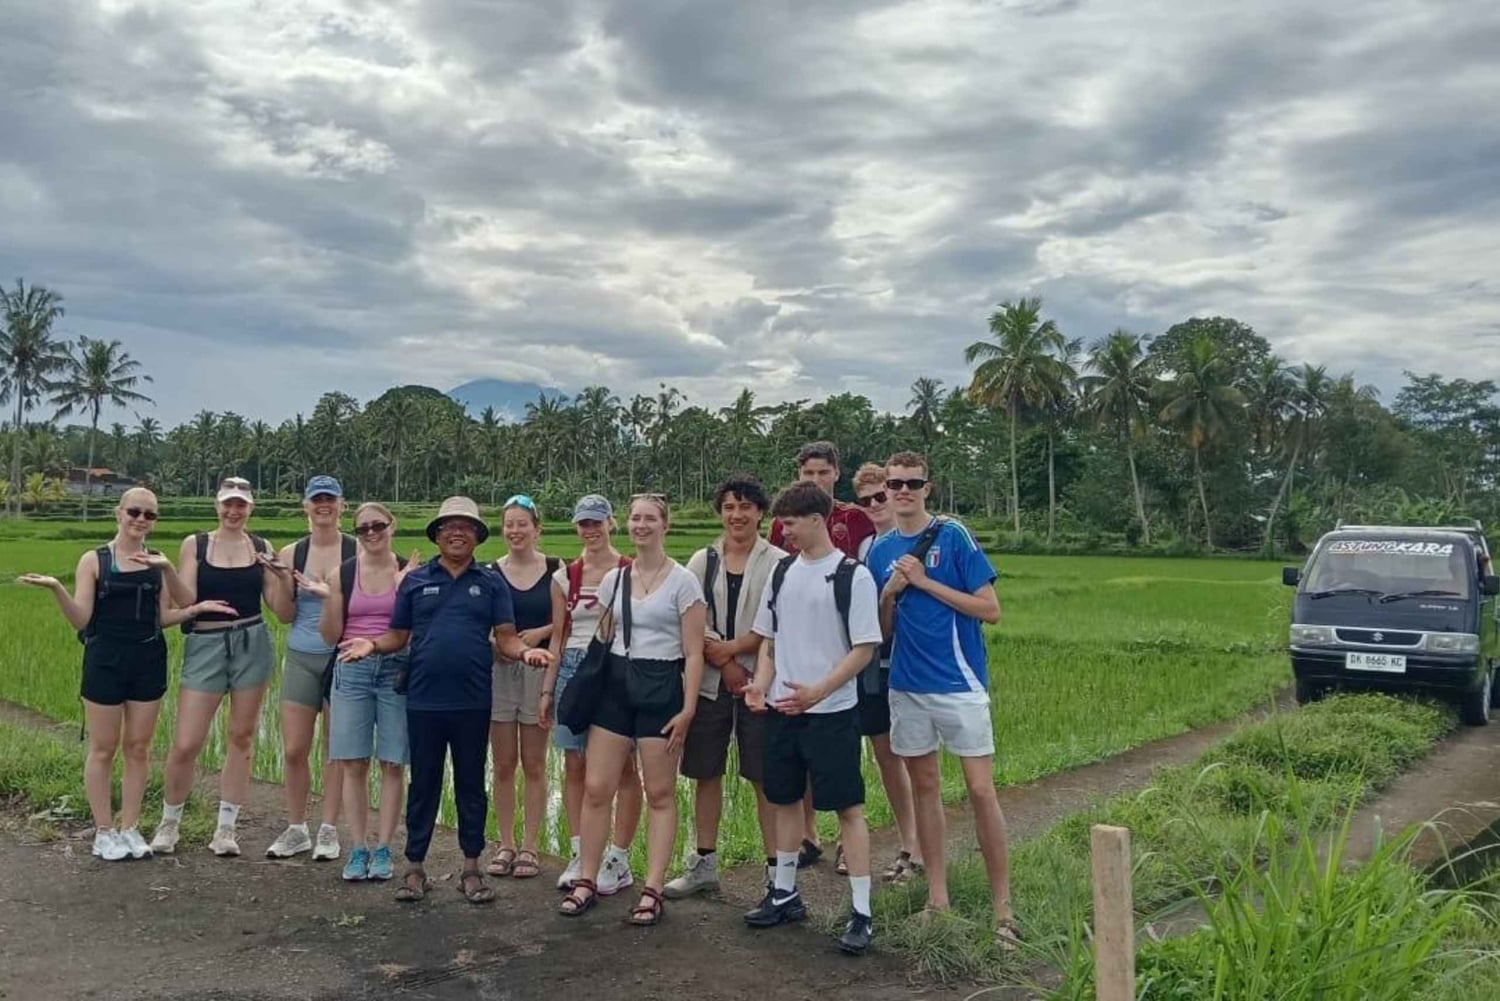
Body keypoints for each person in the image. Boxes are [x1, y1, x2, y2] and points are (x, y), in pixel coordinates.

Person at [337, 496, 553, 904]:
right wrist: (372, 644)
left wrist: (527, 653)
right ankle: (414, 867)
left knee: (471, 785)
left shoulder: (490, 583)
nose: (457, 532)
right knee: (424, 784)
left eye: (465, 526)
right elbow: (398, 635)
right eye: (449, 526)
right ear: (437, 535)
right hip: (424, 699)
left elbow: (506, 638)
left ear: (476, 536)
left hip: (473, 700)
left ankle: (471, 868)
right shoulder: (416, 581)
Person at [18, 488, 234, 861]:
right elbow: (81, 619)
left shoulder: (157, 562)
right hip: (105, 660)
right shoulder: (95, 560)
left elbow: (165, 614)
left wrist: (194, 608)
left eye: (149, 515)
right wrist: (56, 589)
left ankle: (130, 827)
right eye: (134, 512)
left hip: (147, 659)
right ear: (119, 513)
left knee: (138, 748)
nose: (141, 519)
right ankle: (104, 832)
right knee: (103, 748)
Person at [866, 452, 1017, 949]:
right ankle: (938, 900)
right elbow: (880, 633)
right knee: (925, 787)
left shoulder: (953, 536)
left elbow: (990, 609)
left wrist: (925, 582)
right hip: (907, 684)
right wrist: (889, 594)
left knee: (980, 790)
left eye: (912, 483)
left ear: (927, 488)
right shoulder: (880, 551)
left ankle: (1003, 910)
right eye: (894, 484)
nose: (902, 492)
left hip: (960, 683)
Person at [742, 480, 882, 956]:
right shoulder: (782, 572)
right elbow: (770, 639)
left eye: (791, 524)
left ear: (817, 520)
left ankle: (861, 911)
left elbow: (864, 648)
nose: (785, 533)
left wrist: (819, 690)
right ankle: (784, 894)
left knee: (848, 809)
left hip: (832, 713)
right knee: (783, 800)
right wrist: (761, 683)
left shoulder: (852, 575)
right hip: (783, 710)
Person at [557, 494, 705, 926]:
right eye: (635, 518)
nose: (641, 525)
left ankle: (652, 888)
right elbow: (603, 637)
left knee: (659, 792)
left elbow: (694, 652)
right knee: (597, 786)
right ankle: (587, 878)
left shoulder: (683, 582)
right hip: (616, 684)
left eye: (650, 518)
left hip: (662, 685)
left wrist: (688, 709)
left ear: (665, 525)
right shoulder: (616, 579)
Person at [151, 476, 289, 858]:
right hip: (207, 643)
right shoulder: (196, 544)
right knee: (186, 742)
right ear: (217, 506)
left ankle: (226, 828)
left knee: (242, 736)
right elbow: (186, 598)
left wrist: (283, 577)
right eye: (228, 503)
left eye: (240, 504)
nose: (233, 511)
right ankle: (169, 822)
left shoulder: (261, 547)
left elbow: (280, 609)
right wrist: (168, 571)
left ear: (250, 508)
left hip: (251, 641)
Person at [665, 474, 784, 899]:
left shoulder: (778, 562)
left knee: (764, 778)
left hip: (761, 681)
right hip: (711, 682)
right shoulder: (704, 560)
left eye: (746, 507)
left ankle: (777, 874)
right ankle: (704, 865)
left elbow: (776, 623)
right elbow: (690, 618)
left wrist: (735, 654)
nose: (737, 515)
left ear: (760, 513)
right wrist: (727, 662)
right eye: (730, 507)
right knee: (705, 772)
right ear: (720, 512)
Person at [767, 440, 875, 865]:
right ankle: (803, 847)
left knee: (846, 787)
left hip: (841, 653)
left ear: (836, 473)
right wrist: (762, 682)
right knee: (791, 786)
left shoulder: (855, 520)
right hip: (792, 676)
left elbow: (863, 641)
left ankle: (854, 864)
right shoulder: (784, 547)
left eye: (822, 472)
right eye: (808, 473)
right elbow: (772, 629)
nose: (815, 479)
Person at [307, 502, 419, 882]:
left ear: (392, 526)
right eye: (363, 528)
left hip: (395, 669)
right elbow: (329, 635)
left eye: (378, 525)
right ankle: (358, 847)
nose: (372, 533)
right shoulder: (344, 573)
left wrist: (404, 591)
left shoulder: (409, 571)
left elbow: (414, 632)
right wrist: (328, 596)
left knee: (392, 762)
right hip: (351, 669)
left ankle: (384, 847)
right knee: (353, 762)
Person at [538, 494, 644, 894]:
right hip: (573, 670)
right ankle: (581, 852)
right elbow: (558, 636)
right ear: (576, 527)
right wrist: (548, 690)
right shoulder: (565, 578)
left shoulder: (631, 570)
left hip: (616, 671)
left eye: (597, 522)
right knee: (574, 765)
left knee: (624, 768)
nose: (590, 530)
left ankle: (618, 857)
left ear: (610, 523)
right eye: (584, 523)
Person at [265, 475, 354, 862]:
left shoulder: (356, 552)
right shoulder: (291, 553)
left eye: (330, 499)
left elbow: (370, 607)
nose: (324, 506)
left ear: (341, 505)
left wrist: (330, 594)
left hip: (343, 659)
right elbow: (284, 614)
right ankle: (297, 828)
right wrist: (282, 580)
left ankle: (329, 829)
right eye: (317, 499)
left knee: (336, 750)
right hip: (301, 656)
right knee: (294, 749)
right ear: (306, 506)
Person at [850, 463, 921, 883]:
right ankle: (908, 841)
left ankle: (919, 848)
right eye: (867, 500)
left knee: (915, 757)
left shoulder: (920, 541)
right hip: (876, 665)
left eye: (882, 495)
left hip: (913, 662)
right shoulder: (867, 549)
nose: (876, 504)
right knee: (886, 757)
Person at [485, 494, 557, 881]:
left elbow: (570, 618)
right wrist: (494, 642)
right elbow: (478, 620)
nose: (515, 531)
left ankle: (530, 845)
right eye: (509, 524)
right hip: (499, 671)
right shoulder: (489, 572)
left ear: (536, 528)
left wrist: (541, 632)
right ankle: (506, 842)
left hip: (539, 671)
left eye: (522, 524)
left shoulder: (556, 570)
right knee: (502, 763)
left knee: (534, 762)